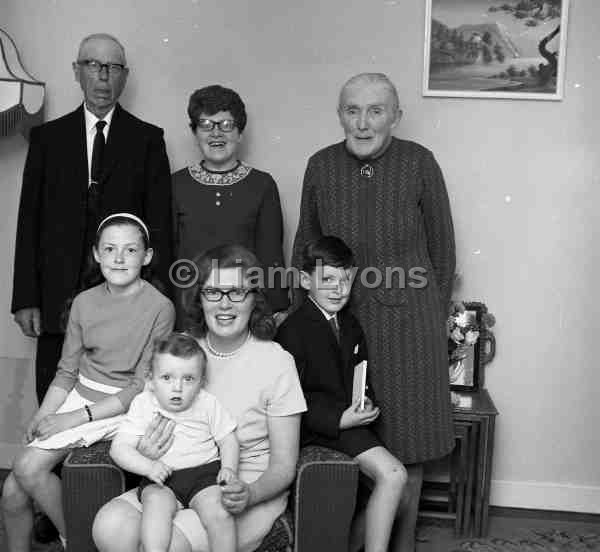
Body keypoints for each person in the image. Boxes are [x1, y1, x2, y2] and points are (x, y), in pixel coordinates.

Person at [291, 73, 456, 551]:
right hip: (340, 322)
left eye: (375, 111)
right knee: (352, 431)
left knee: (411, 438)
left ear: (395, 117)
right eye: (352, 111)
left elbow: (443, 254)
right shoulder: (320, 165)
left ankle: (399, 545)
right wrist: (306, 320)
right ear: (339, 114)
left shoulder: (420, 162)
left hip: (410, 326)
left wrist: (431, 319)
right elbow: (306, 244)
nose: (362, 123)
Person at [93, 244, 307, 552]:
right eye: (213, 293)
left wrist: (249, 492)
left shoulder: (277, 362)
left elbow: (284, 465)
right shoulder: (182, 351)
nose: (224, 304)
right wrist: (144, 450)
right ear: (199, 298)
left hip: (237, 486)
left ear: (254, 299)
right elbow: (141, 418)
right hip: (171, 478)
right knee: (109, 527)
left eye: (236, 292)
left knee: (170, 545)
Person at [11, 33, 173, 405]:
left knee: (118, 399)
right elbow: (28, 220)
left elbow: (159, 226)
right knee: (53, 392)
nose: (103, 76)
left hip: (127, 297)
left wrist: (158, 297)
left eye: (113, 67)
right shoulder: (47, 139)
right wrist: (25, 298)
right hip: (56, 294)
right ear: (77, 71)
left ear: (125, 76)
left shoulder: (148, 139)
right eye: (93, 65)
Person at [1, 213, 175, 552]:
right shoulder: (84, 302)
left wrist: (74, 418)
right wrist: (44, 415)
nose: (120, 259)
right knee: (10, 493)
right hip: (79, 394)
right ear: (97, 254)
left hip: (123, 405)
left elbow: (139, 386)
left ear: (147, 256)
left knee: (25, 466)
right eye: (110, 249)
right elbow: (67, 372)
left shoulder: (160, 307)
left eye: (130, 250)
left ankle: (79, 542)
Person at [277, 236, 407, 552]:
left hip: (351, 421)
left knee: (378, 490)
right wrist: (339, 419)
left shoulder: (350, 324)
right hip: (318, 429)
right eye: (328, 280)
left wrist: (367, 402)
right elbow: (290, 401)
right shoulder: (292, 331)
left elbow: (360, 376)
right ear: (305, 280)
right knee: (394, 475)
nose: (339, 289)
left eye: (346, 280)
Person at [111, 332, 239, 552]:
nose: (177, 387)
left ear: (201, 382)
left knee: (220, 513)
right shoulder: (143, 404)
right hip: (161, 477)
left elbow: (228, 439)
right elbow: (119, 449)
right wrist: (148, 467)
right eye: (167, 378)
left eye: (188, 379)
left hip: (205, 474)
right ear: (150, 380)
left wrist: (229, 469)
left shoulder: (207, 403)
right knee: (155, 506)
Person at [172, 85, 288, 326]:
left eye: (226, 125)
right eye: (206, 125)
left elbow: (271, 256)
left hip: (244, 309)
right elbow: (169, 257)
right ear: (194, 133)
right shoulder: (176, 184)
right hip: (189, 310)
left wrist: (275, 310)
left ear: (240, 133)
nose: (216, 134)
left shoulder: (262, 185)